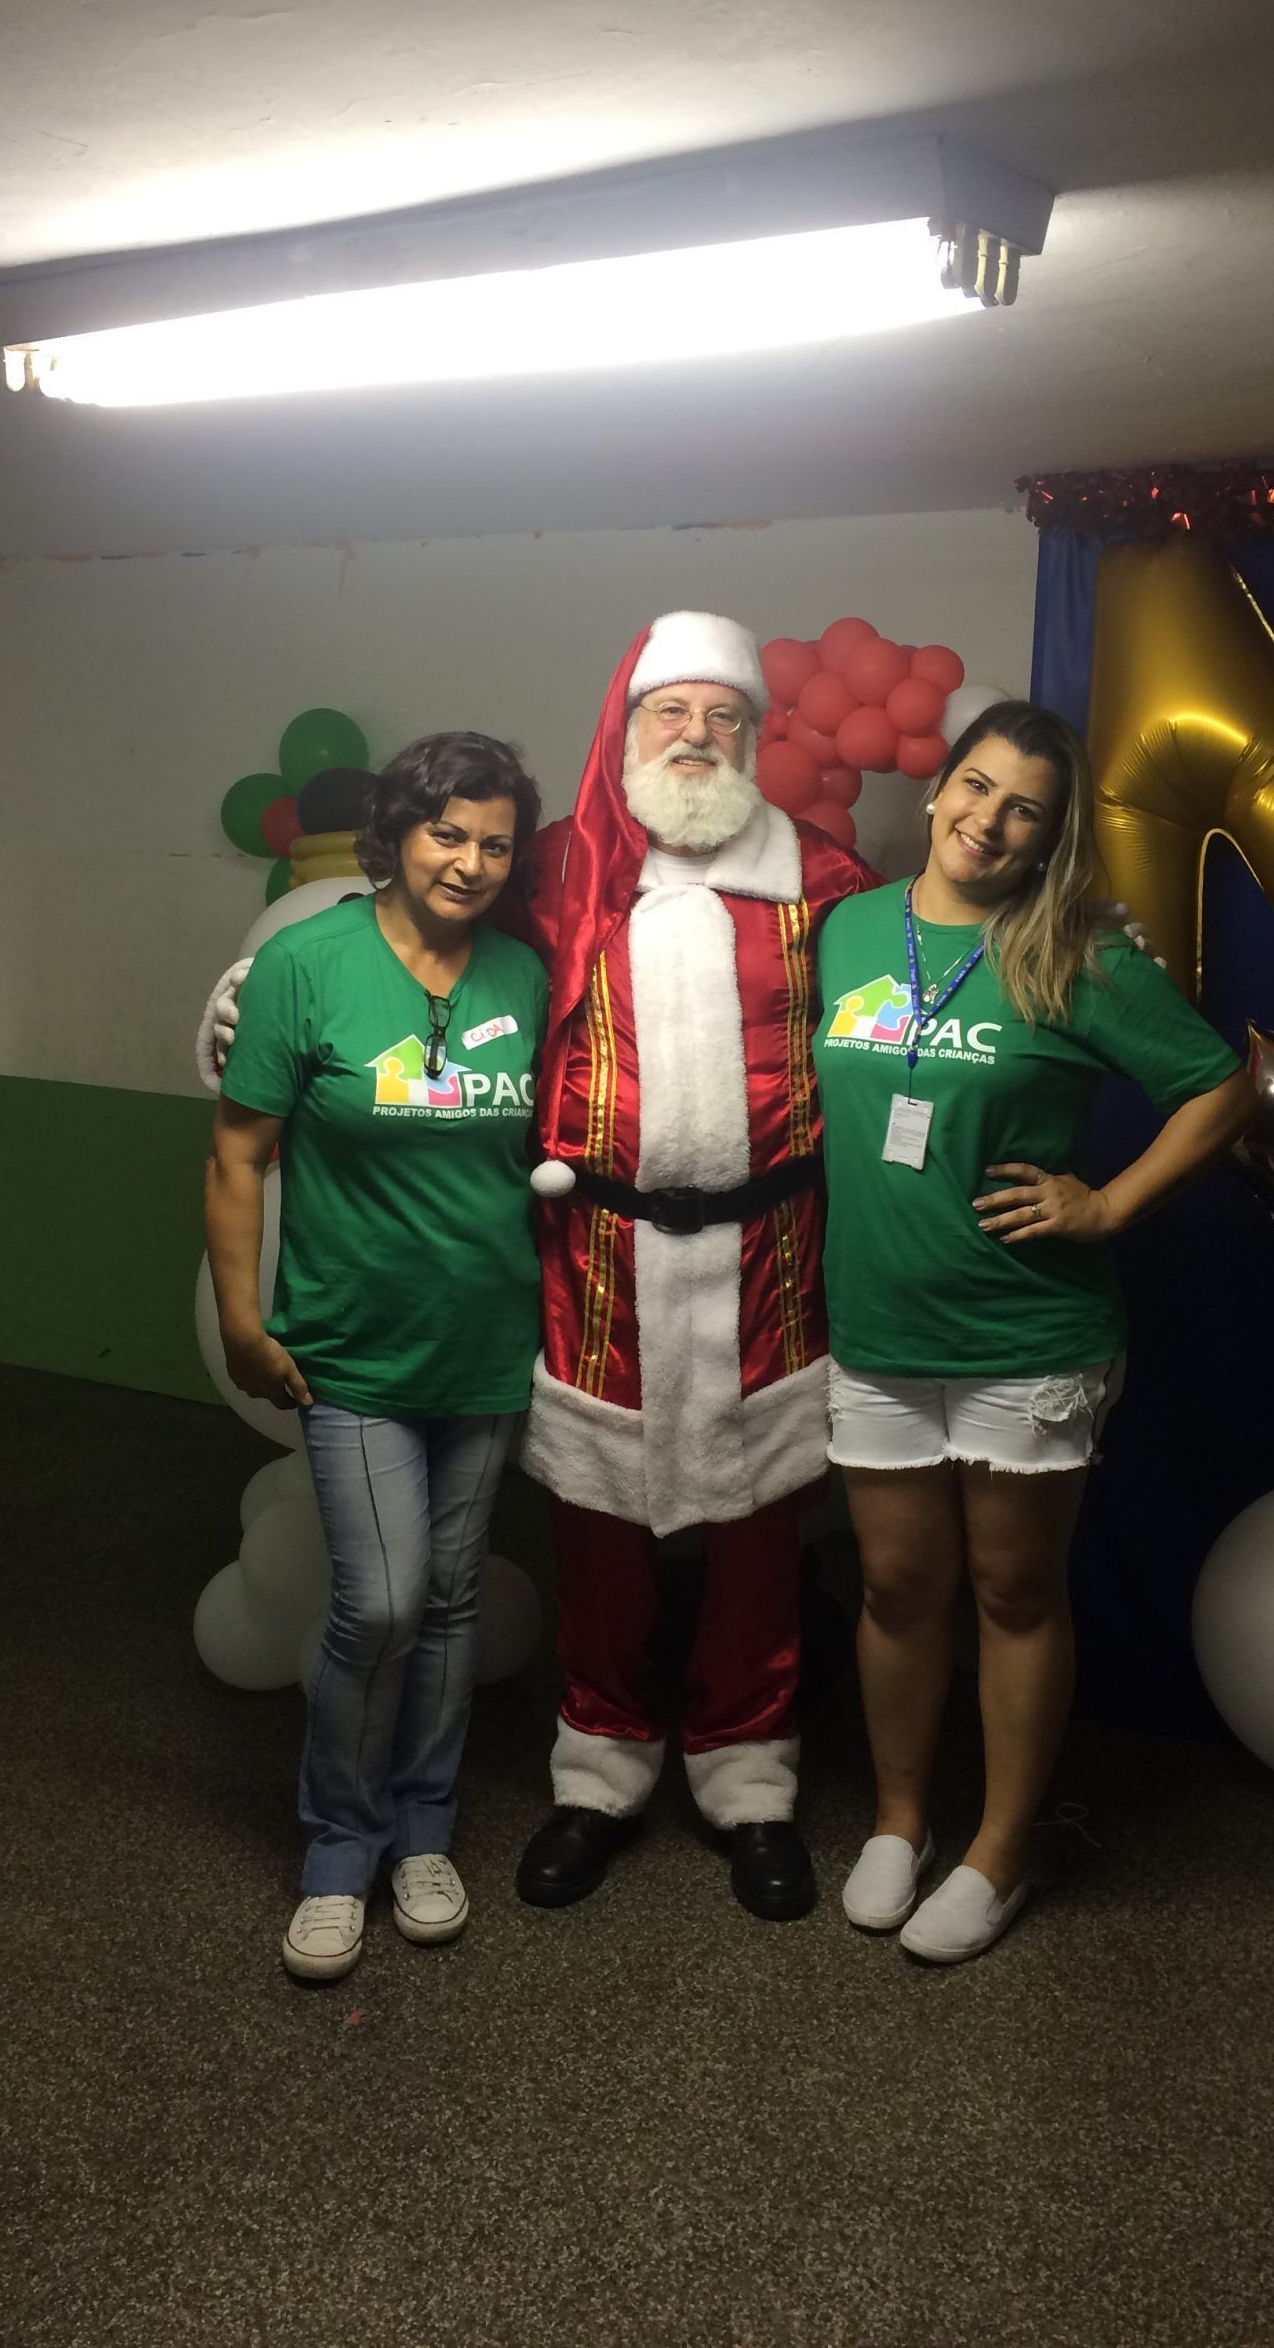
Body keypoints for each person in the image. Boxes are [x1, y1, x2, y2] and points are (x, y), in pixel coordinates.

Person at [813, 700, 1250, 1964]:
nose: (988, 821)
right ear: (938, 787)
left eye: (1025, 810)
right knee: (897, 1588)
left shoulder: (1076, 950)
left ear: (1051, 838)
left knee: (1011, 1592)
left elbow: (1219, 1085)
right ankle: (899, 1821)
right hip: (878, 1323)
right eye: (977, 786)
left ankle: (1000, 1850)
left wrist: (1107, 1202)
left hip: (1028, 1330)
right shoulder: (850, 929)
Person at [510, 612, 875, 1921]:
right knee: (597, 1527)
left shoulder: (825, 876)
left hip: (767, 1251)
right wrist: (266, 986)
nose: (698, 735)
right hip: (598, 1254)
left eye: (726, 715)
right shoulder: (561, 865)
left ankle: (748, 1771)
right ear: (628, 726)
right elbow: (420, 939)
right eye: (673, 711)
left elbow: (909, 1005)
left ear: (756, 735)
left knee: (759, 1531)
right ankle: (598, 1767)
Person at [205, 731, 547, 1983]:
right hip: (349, 1345)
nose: (470, 861)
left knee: (449, 1599)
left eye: (496, 842)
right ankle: (339, 1846)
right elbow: (238, 1153)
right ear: (396, 834)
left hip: (488, 1341)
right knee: (384, 1600)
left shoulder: (524, 971)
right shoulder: (308, 963)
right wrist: (244, 1322)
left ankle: (424, 1828)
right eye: (448, 833)